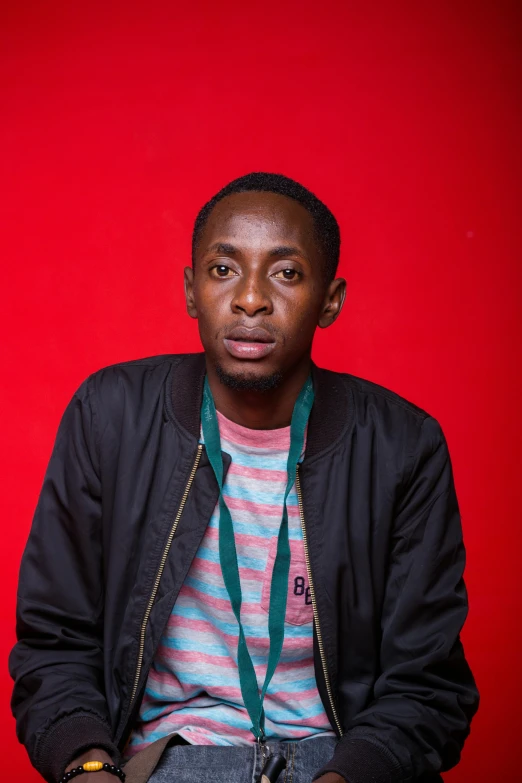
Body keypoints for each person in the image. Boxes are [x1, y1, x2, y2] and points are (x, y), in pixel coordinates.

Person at [9, 172, 479, 783]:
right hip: (170, 758)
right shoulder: (110, 415)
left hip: (336, 761)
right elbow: (54, 639)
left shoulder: (401, 446)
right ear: (190, 290)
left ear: (331, 301)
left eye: (285, 273)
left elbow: (427, 683)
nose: (251, 299)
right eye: (224, 269)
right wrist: (89, 765)